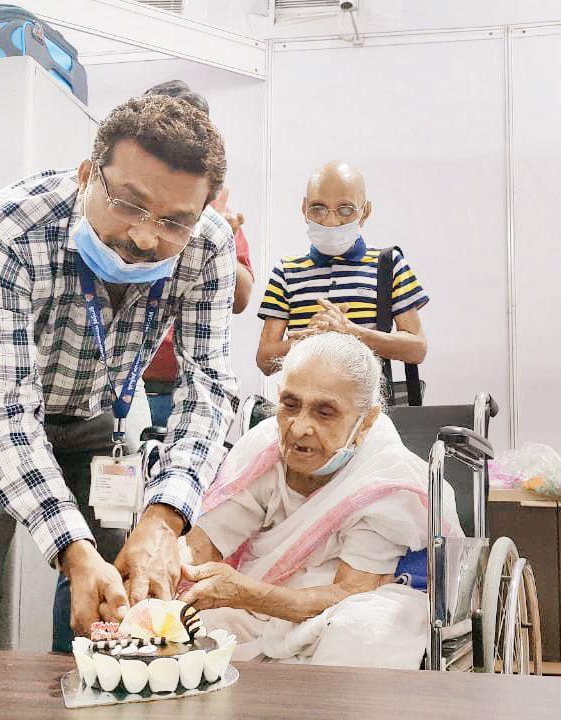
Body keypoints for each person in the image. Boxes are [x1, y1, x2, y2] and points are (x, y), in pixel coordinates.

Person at [0, 94, 240, 650]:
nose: (144, 237)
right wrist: (70, 548)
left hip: (96, 416)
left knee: (120, 589)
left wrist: (164, 520)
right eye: (130, 204)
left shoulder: (208, 247)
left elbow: (207, 388)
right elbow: (6, 409)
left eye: (173, 222)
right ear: (89, 174)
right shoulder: (9, 229)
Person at [179, 332, 460, 667]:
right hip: (268, 593)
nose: (298, 429)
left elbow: (350, 591)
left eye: (324, 413)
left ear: (366, 420)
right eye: (290, 405)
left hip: (356, 602)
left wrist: (244, 593)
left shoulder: (385, 481)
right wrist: (156, 570)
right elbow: (205, 543)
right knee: (186, 628)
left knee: (359, 633)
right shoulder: (265, 449)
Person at [139, 80, 256, 430]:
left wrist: (222, 239)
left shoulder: (217, 219)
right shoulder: (121, 209)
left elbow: (241, 298)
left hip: (183, 384)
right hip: (121, 381)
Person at [255, 161, 428, 378]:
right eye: (318, 209)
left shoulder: (389, 264)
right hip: (305, 404)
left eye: (345, 209)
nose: (330, 221)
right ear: (304, 209)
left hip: (367, 406)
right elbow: (265, 360)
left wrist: (351, 333)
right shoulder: (287, 272)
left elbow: (417, 348)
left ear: (365, 212)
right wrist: (310, 340)